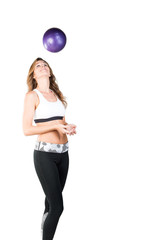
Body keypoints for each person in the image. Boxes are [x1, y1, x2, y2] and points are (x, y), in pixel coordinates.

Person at [22, 57, 77, 240]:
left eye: (45, 65)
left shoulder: (56, 94)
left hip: (63, 154)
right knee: (57, 207)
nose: (43, 67)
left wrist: (67, 126)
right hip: (45, 155)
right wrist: (55, 127)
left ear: (50, 71)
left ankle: (44, 233)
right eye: (38, 66)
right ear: (34, 74)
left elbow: (59, 121)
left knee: (50, 205)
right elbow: (27, 129)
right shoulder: (32, 96)